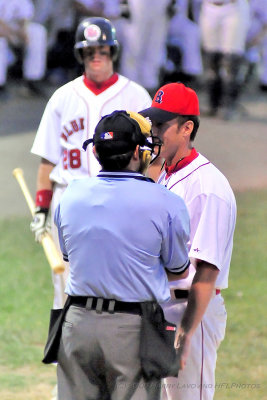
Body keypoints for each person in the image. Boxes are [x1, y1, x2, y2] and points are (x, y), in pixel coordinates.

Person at [54, 110, 191, 400]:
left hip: (77, 324)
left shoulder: (71, 195)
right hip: (132, 328)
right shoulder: (167, 202)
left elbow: (69, 256)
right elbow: (178, 268)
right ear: (139, 153)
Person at [30, 16, 152, 309]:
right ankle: (65, 352)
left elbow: (152, 161)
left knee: (118, 283)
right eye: (89, 51)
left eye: (102, 49)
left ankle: (111, 349)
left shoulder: (136, 95)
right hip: (68, 200)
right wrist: (41, 207)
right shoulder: (62, 97)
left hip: (121, 202)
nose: (96, 56)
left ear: (112, 52)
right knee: (65, 284)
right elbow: (48, 161)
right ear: (80, 54)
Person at [140, 82, 237, 400]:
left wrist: (185, 330)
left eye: (161, 125)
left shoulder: (207, 187)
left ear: (187, 128)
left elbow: (205, 273)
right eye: (152, 123)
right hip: (164, 308)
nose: (153, 132)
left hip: (191, 312)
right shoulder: (166, 173)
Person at [199, 0, 250, 119]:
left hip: (233, 7)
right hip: (209, 7)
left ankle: (228, 105)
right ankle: (213, 103)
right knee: (211, 57)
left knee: (231, 60)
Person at [0, 0, 47, 98]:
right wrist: (11, 33)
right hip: (4, 28)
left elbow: (24, 14)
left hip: (11, 26)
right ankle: (1, 85)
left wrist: (23, 29)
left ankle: (33, 79)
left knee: (37, 31)